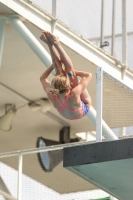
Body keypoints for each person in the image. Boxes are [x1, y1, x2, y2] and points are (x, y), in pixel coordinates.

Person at [40, 31, 92, 120]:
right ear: (69, 87)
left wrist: (57, 67)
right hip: (82, 110)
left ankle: (50, 44)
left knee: (61, 72)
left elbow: (87, 75)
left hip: (67, 112)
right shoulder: (74, 93)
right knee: (71, 76)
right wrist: (71, 72)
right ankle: (54, 43)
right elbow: (88, 75)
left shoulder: (52, 95)